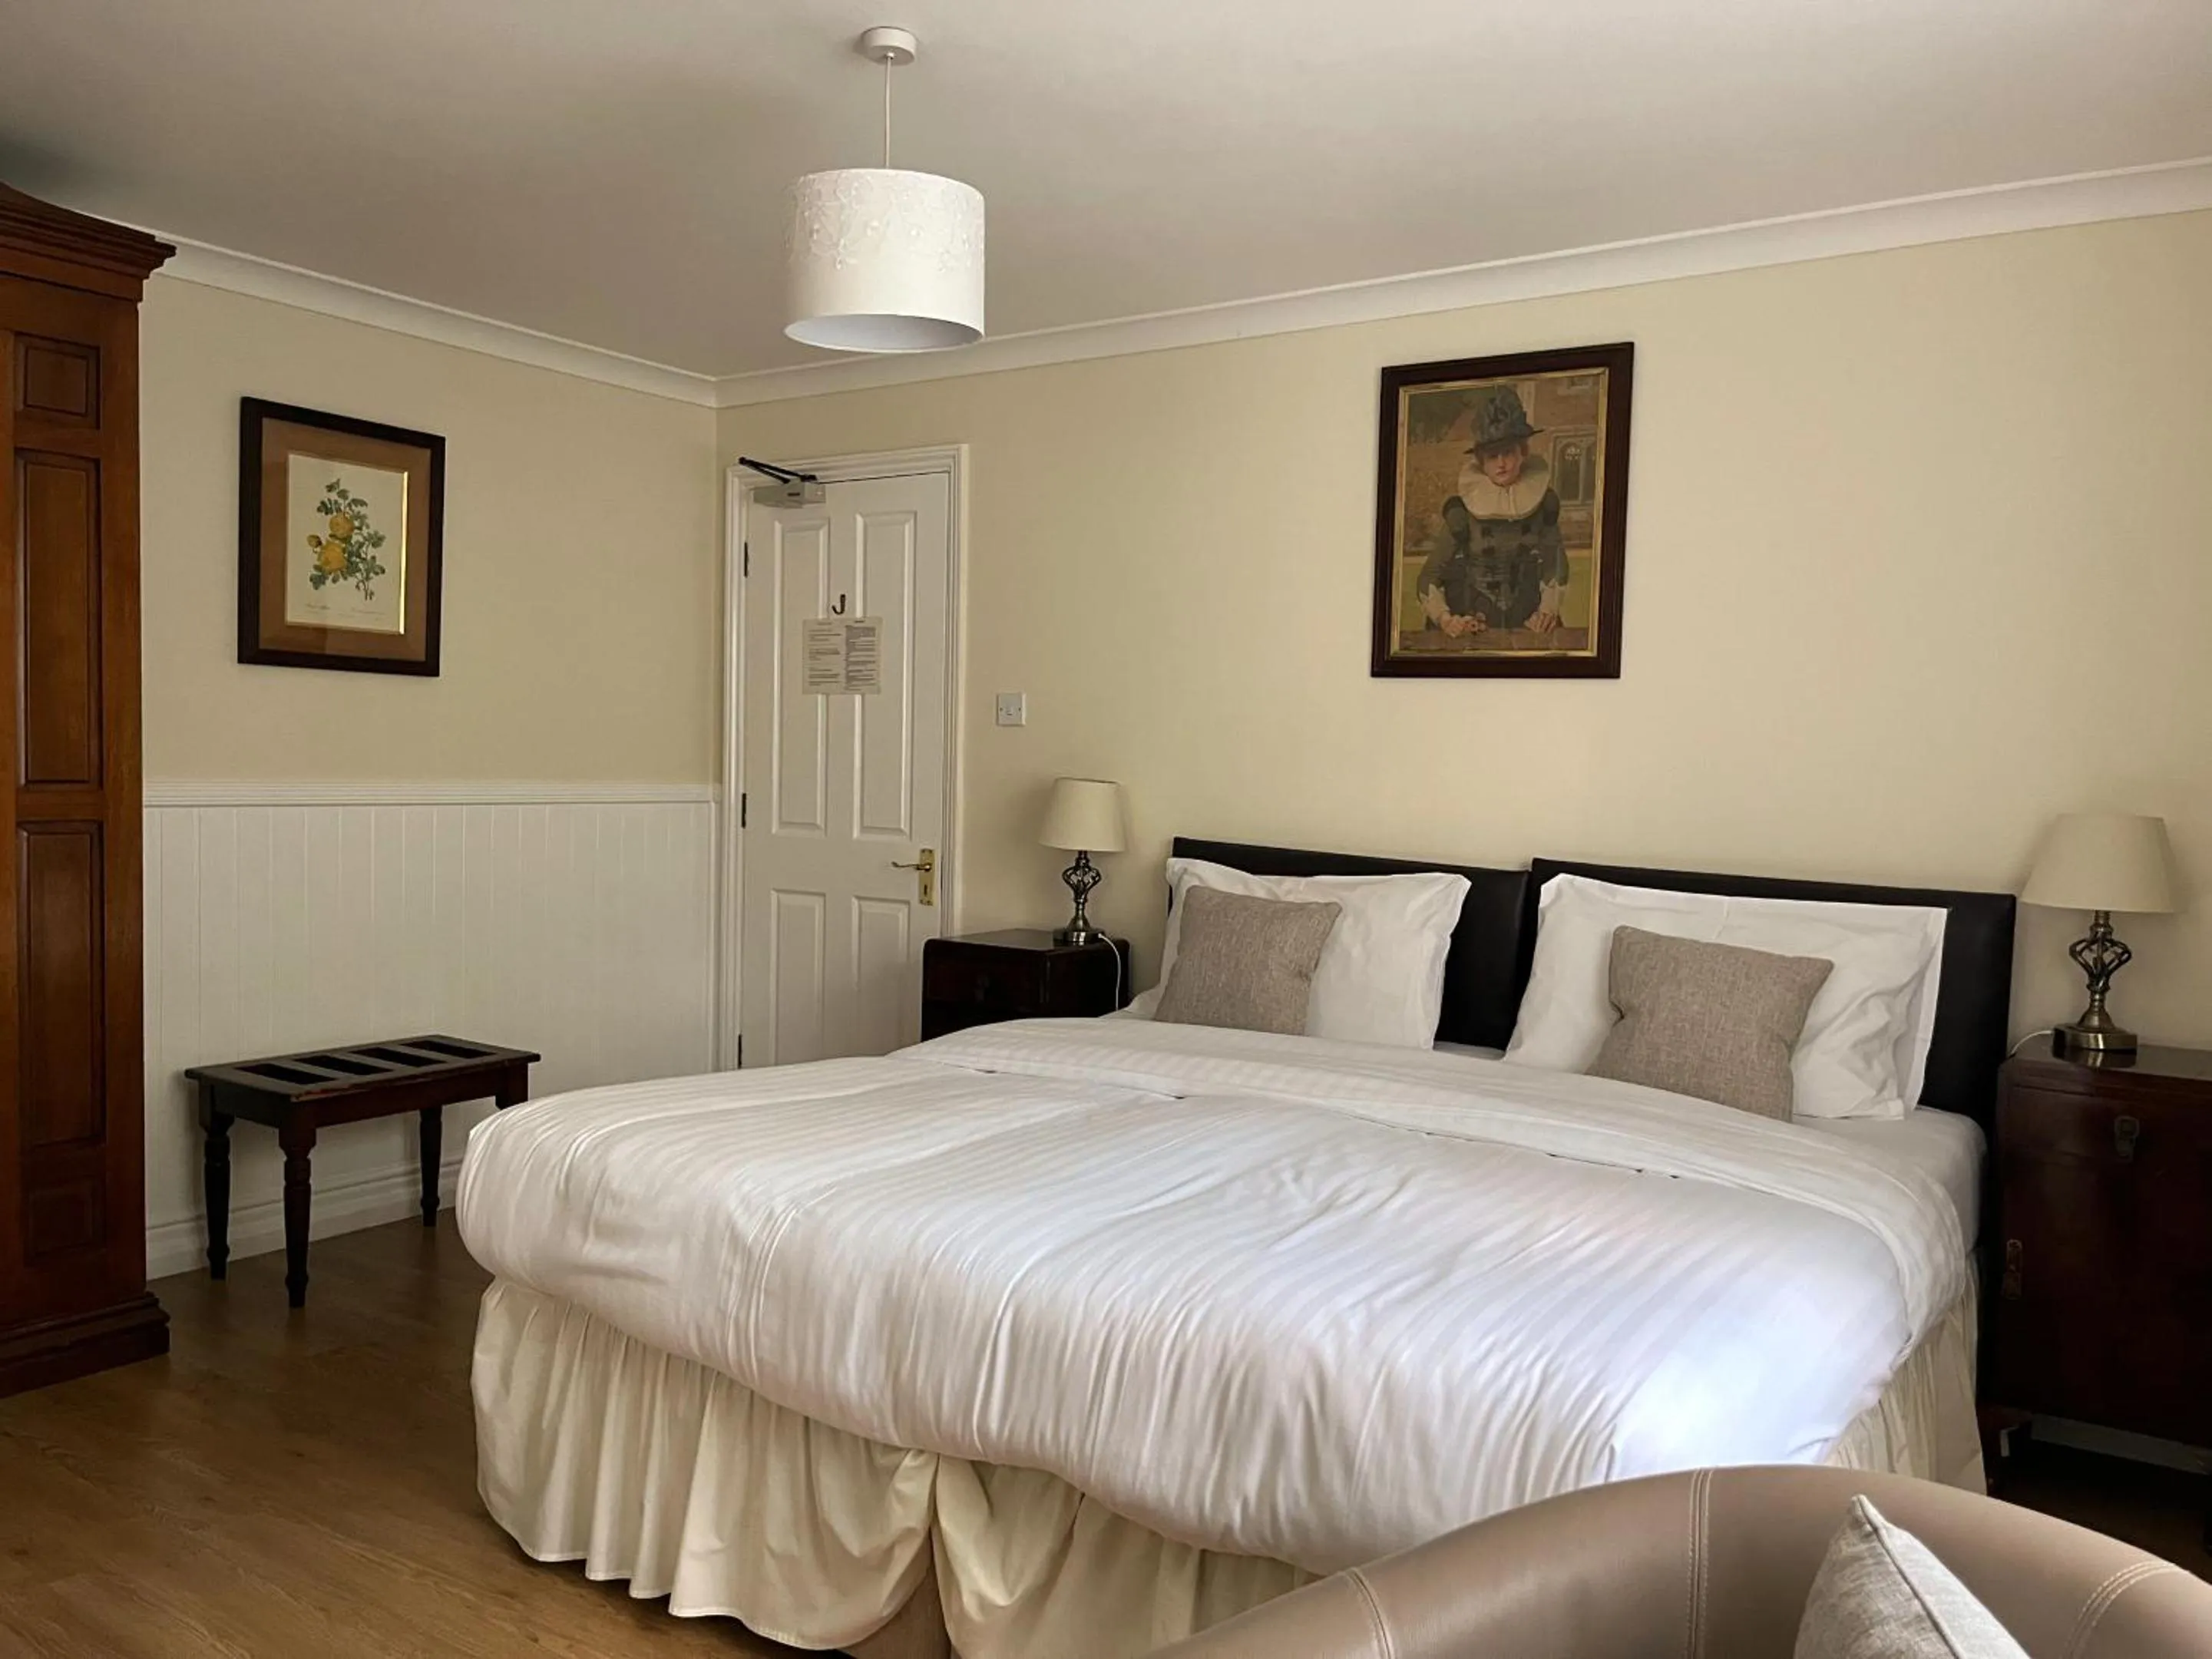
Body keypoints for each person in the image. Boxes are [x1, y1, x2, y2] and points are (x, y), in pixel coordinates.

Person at [1416, 385, 1569, 638]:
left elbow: (1556, 564)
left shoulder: (1544, 504)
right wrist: (1447, 619)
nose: (1501, 463)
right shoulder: (1461, 512)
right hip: (1471, 610)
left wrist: (1547, 611)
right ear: (1480, 461)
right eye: (1492, 456)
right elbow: (1429, 576)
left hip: (1526, 610)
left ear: (1523, 452)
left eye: (1508, 452)